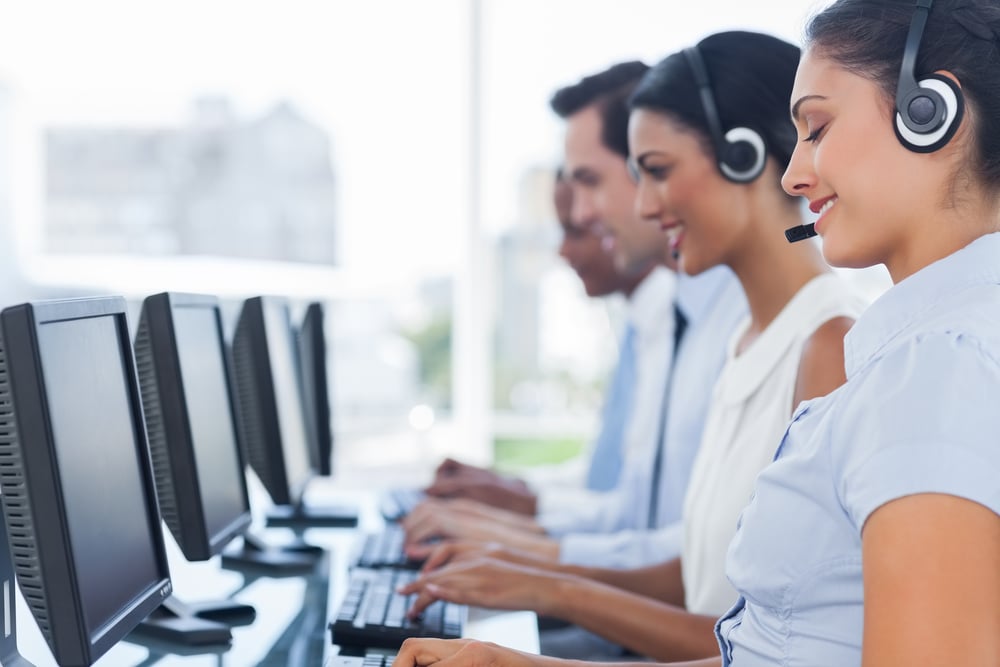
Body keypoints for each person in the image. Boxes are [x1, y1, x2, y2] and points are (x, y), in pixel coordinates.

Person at [394, 0, 1000, 664]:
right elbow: (762, 648)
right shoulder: (912, 356)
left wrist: (544, 592)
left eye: (817, 127)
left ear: (931, 110)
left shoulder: (937, 365)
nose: (796, 173)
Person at [403, 60, 748, 574]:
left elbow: (705, 569)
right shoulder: (678, 317)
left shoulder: (746, 328)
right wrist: (506, 522)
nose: (583, 216)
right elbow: (634, 508)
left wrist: (516, 549)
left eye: (591, 182)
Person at [425, 159, 670, 517]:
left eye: (577, 231)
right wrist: (506, 486)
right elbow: (602, 477)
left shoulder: (670, 321)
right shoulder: (638, 325)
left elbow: (635, 514)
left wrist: (522, 505)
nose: (563, 252)